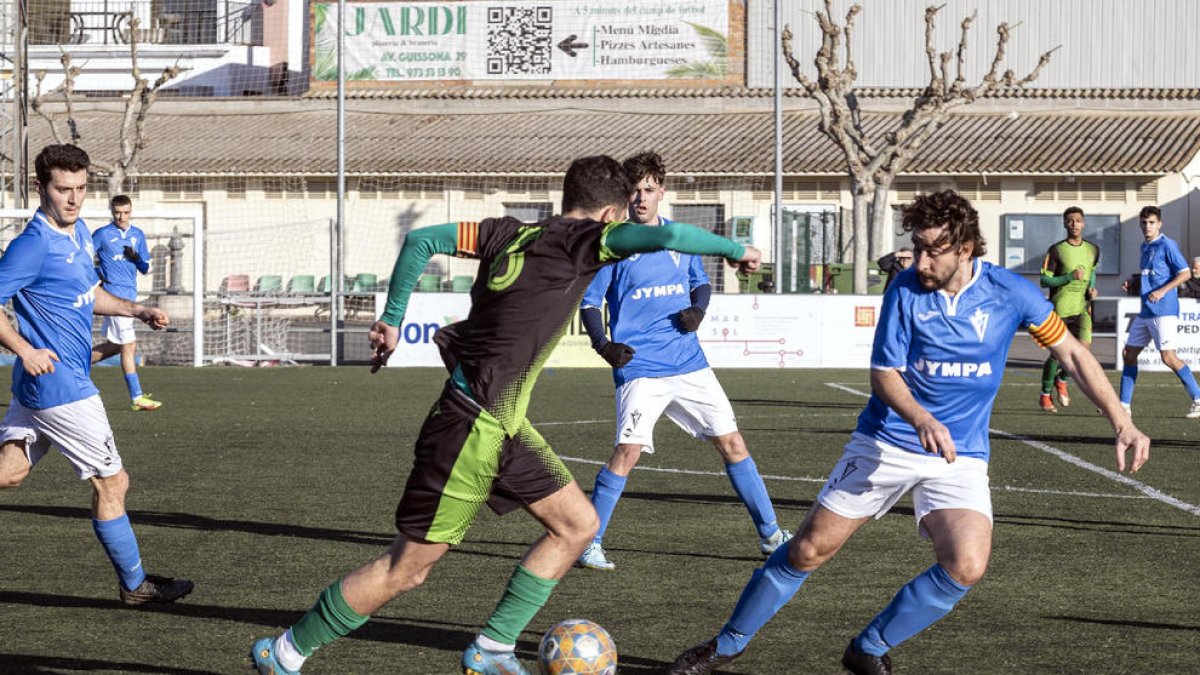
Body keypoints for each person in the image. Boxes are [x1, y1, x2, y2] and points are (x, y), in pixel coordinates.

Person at [249, 155, 763, 675]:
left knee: (578, 525)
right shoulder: (586, 241)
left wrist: (391, 320)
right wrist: (738, 250)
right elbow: (667, 238)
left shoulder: (504, 233)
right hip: (471, 426)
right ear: (611, 213)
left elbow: (421, 240)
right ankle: (285, 653)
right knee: (406, 569)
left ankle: (492, 649)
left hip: (503, 425)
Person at [667, 190, 1149, 675]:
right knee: (809, 549)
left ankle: (869, 648)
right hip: (886, 441)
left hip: (959, 454)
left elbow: (1073, 354)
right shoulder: (904, 290)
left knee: (967, 563)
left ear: (965, 248)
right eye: (915, 247)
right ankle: (726, 645)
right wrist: (921, 418)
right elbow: (884, 374)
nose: (918, 260)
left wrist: (1121, 420)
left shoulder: (1010, 292)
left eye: (931, 250)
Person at [575, 151, 790, 571]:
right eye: (634, 190)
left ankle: (771, 535)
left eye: (649, 190)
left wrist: (698, 311)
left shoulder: (680, 238)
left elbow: (701, 283)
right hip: (641, 366)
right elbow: (589, 303)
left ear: (662, 193)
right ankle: (589, 542)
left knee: (733, 444)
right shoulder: (615, 242)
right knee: (627, 453)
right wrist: (603, 345)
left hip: (689, 362)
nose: (641, 198)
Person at [0, 144, 193, 606]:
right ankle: (135, 585)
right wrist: (24, 349)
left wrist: (136, 308)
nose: (73, 199)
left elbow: (88, 294)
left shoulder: (81, 232)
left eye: (81, 189)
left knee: (10, 472)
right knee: (113, 482)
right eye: (63, 189)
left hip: (43, 386)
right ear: (40, 187)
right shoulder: (33, 244)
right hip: (61, 387)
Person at [1118, 205, 1200, 418]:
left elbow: (1184, 273)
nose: (1148, 226)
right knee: (1129, 354)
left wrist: (1163, 291)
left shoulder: (1167, 245)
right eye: (1144, 223)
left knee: (1168, 357)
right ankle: (1123, 406)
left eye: (1152, 223)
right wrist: (1132, 282)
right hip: (1146, 310)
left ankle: (1198, 399)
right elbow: (1151, 274)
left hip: (1163, 310)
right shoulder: (1144, 247)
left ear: (1159, 224)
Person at [90, 194, 161, 411]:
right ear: (112, 212)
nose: (121, 217)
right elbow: (83, 261)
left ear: (131, 212)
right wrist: (97, 275)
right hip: (113, 298)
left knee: (116, 345)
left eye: (126, 212)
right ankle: (137, 396)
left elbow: (146, 268)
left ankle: (71, 364)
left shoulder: (137, 235)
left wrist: (136, 257)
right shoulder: (101, 235)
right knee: (129, 345)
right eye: (117, 212)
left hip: (130, 296)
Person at [1037, 207, 1099, 412]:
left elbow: (1092, 273)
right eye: (1070, 221)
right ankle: (1045, 395)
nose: (1074, 224)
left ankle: (1062, 380)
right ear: (1064, 224)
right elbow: (1044, 280)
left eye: (1078, 221)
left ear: (1084, 223)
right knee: (1057, 355)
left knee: (1082, 352)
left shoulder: (1092, 249)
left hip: (1082, 309)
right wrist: (1068, 277)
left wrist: (1091, 289)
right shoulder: (1056, 250)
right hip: (1060, 309)